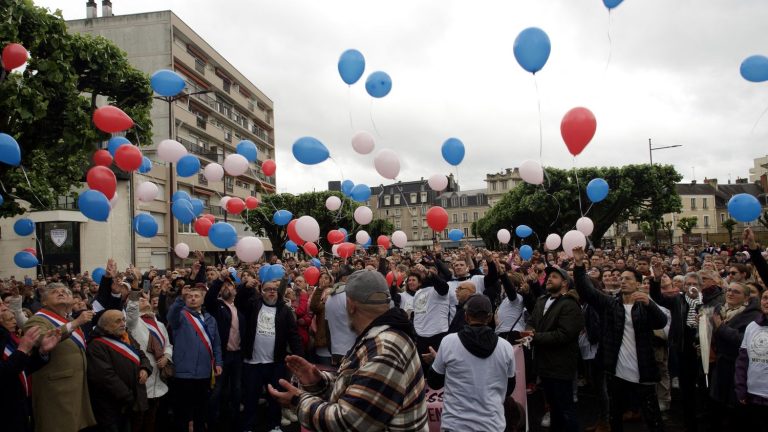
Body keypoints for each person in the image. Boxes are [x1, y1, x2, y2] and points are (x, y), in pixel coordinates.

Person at [268, 270, 429, 431]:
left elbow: (348, 422)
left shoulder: (384, 350)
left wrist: (298, 400)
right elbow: (358, 384)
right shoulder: (380, 335)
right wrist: (319, 381)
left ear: (350, 306)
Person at [573, 247, 667, 432]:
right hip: (616, 372)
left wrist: (651, 303)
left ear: (638, 283)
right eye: (621, 278)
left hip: (643, 372)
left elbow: (660, 322)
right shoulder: (610, 304)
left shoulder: (644, 306)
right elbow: (587, 292)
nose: (623, 281)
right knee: (616, 418)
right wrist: (578, 265)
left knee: (653, 419)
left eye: (628, 279)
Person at [427, 294, 516, 431]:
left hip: (455, 425)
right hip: (492, 425)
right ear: (490, 317)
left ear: (466, 316)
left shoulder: (449, 342)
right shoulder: (506, 348)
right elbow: (509, 388)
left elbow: (434, 382)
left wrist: (437, 361)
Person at [23, 282, 97, 432]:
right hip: (55, 389)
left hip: (75, 386)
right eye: (55, 292)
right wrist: (76, 322)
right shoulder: (37, 319)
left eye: (65, 291)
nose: (61, 293)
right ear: (44, 301)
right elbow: (42, 339)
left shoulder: (68, 320)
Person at [235, 273, 303, 432]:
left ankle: (275, 425)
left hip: (275, 363)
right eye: (268, 289)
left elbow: (293, 335)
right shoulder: (253, 305)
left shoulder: (284, 310)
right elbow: (239, 302)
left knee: (275, 397)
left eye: (274, 289)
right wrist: (245, 288)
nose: (272, 292)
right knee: (251, 397)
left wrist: (299, 357)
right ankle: (248, 426)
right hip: (253, 363)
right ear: (262, 291)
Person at [526, 263, 584, 432]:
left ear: (565, 283)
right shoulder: (542, 300)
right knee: (554, 408)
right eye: (549, 276)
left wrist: (534, 337)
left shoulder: (570, 304)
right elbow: (532, 321)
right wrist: (528, 332)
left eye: (554, 277)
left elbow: (564, 335)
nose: (549, 279)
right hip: (544, 364)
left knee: (565, 410)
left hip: (560, 365)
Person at [168, 283, 223, 432]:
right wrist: (180, 298)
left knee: (201, 411)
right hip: (184, 372)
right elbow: (171, 316)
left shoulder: (210, 319)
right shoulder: (180, 316)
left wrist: (218, 362)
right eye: (190, 297)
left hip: (204, 372)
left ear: (203, 299)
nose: (193, 299)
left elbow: (216, 344)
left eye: (196, 296)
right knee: (183, 413)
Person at [87, 309, 152, 432]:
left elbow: (141, 355)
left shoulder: (125, 336)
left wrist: (145, 368)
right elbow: (105, 377)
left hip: (132, 401)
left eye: (123, 320)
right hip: (112, 406)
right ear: (105, 325)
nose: (123, 323)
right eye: (117, 321)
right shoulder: (96, 345)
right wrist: (128, 396)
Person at [708, 281, 761, 429]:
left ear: (746, 298)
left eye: (736, 292)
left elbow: (743, 340)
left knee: (735, 412)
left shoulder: (753, 316)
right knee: (717, 407)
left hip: (736, 368)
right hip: (719, 366)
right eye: (729, 290)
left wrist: (721, 328)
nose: (730, 293)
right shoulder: (719, 310)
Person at [1, 305, 59, 432]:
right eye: (1, 306)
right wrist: (22, 351)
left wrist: (42, 352)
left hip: (19, 408)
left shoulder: (7, 338)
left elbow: (22, 370)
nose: (5, 307)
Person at [125, 287, 173, 432]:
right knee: (138, 421)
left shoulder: (159, 324)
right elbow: (132, 313)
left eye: (145, 298)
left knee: (152, 420)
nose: (143, 300)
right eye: (139, 300)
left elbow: (168, 345)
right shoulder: (133, 323)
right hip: (143, 377)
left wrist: (167, 356)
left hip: (159, 379)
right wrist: (134, 293)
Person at [205, 267, 245, 430]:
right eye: (224, 287)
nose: (227, 288)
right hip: (222, 355)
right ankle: (213, 422)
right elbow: (208, 300)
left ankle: (235, 421)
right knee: (217, 390)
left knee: (236, 390)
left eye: (230, 286)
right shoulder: (217, 306)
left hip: (237, 356)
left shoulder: (239, 308)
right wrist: (219, 280)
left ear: (235, 291)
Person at [734, 289, 768, 432]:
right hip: (753, 394)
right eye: (765, 298)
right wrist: (741, 388)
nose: (767, 302)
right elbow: (743, 360)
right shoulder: (752, 326)